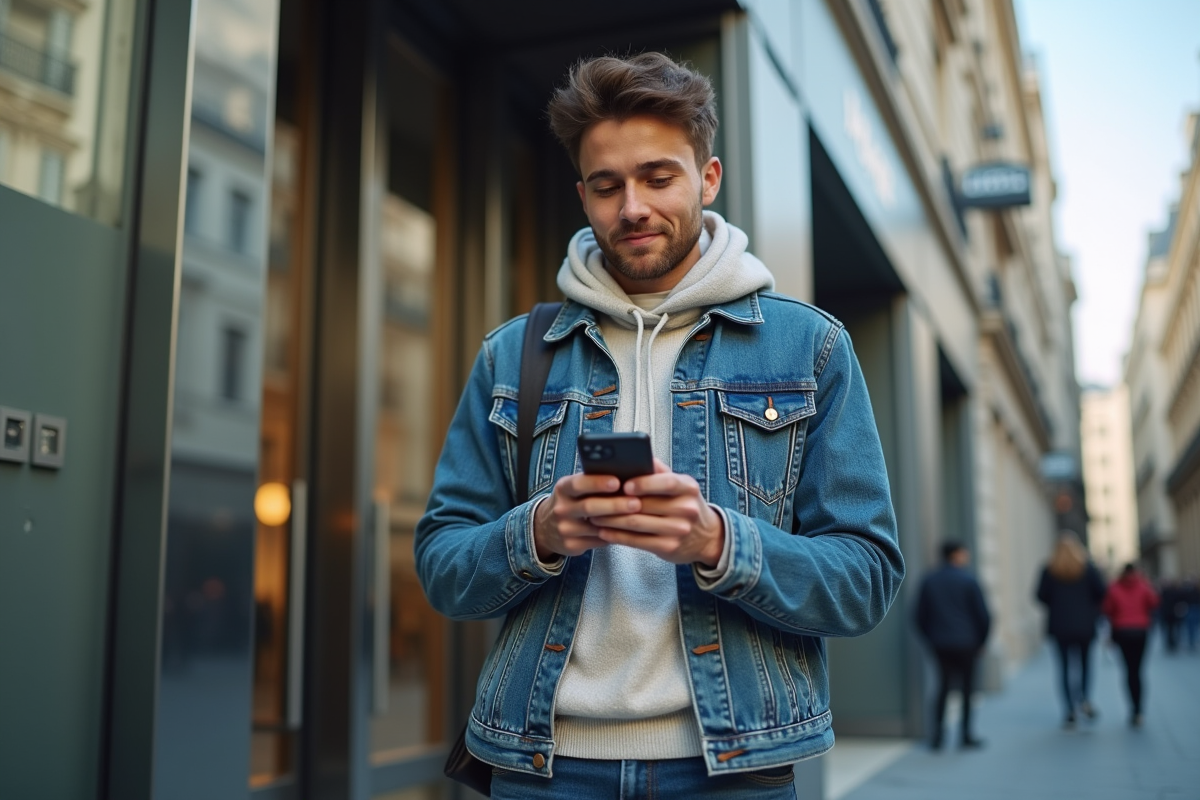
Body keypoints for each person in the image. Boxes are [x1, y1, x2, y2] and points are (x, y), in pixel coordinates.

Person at [415, 52, 904, 798]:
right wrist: (540, 530)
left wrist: (718, 542)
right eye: (607, 186)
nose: (632, 208)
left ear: (707, 180)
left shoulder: (812, 348)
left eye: (658, 177)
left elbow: (865, 579)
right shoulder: (513, 355)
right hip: (541, 766)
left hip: (731, 767)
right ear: (583, 196)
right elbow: (444, 566)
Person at [916, 542, 990, 750]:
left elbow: (919, 616)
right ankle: (965, 735)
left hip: (940, 643)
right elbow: (983, 615)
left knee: (942, 688)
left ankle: (937, 737)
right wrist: (982, 641)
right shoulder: (968, 580)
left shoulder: (929, 580)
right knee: (967, 690)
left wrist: (931, 639)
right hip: (968, 644)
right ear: (956, 555)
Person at [1035, 531, 1107, 728]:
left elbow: (1040, 596)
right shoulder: (1088, 568)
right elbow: (1101, 593)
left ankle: (1069, 710)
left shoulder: (1049, 570)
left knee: (1064, 668)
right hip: (1084, 625)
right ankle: (1083, 699)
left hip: (1060, 626)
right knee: (1085, 666)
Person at [1102, 563, 1159, 728]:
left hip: (1122, 632)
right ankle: (1139, 709)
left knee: (1129, 670)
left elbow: (1107, 608)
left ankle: (1133, 709)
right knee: (1138, 670)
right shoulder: (1143, 585)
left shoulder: (1114, 588)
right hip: (1141, 631)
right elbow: (1154, 602)